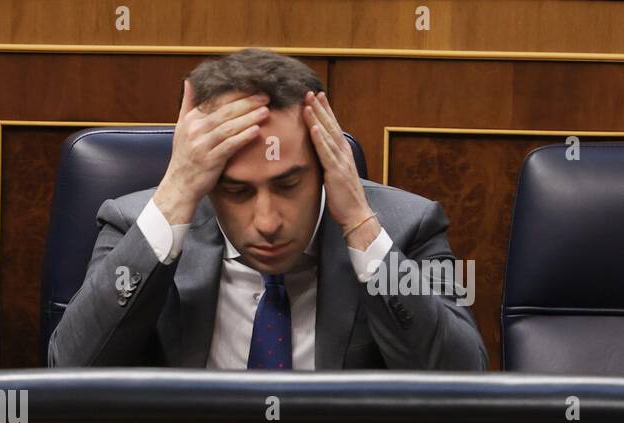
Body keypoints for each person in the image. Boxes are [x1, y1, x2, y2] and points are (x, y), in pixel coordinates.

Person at [49, 48, 488, 371]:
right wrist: (174, 194)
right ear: (205, 184)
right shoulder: (134, 224)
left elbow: (463, 378)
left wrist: (360, 225)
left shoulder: (409, 227)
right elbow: (68, 369)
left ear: (323, 165)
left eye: (289, 184)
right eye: (237, 192)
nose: (267, 223)